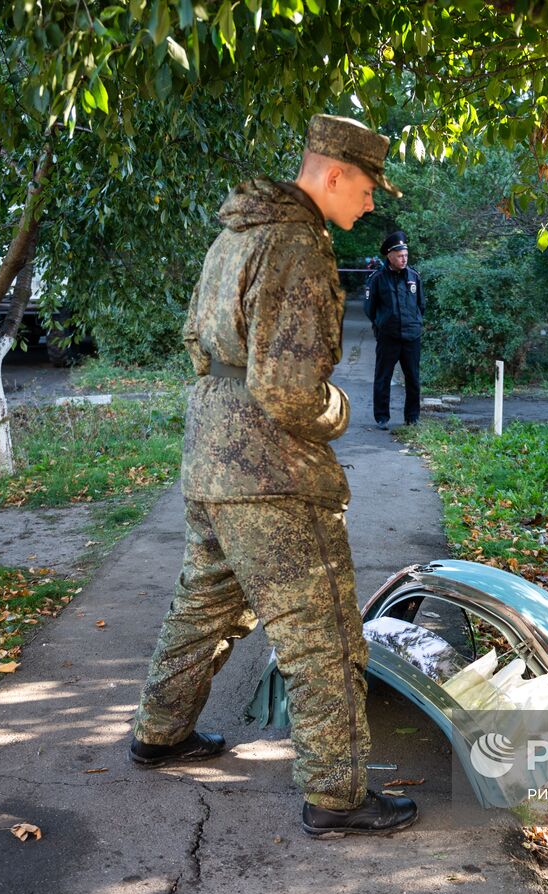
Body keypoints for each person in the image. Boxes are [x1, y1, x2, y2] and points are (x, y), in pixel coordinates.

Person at [130, 114, 417, 837]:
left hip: (212, 455)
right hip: (273, 470)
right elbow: (289, 392)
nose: (374, 203)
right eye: (369, 186)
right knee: (321, 632)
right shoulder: (294, 242)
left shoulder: (238, 231)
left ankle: (159, 733)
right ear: (332, 174)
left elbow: (196, 339)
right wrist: (338, 410)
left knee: (204, 607)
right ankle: (338, 796)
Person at [364, 230, 424, 429]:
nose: (404, 259)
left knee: (413, 379)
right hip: (388, 337)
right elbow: (369, 309)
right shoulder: (378, 279)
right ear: (390, 256)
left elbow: (421, 305)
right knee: (383, 378)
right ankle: (382, 417)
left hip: (411, 337)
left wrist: (415, 323)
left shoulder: (414, 276)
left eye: (406, 255)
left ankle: (412, 418)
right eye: (400, 256)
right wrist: (382, 324)